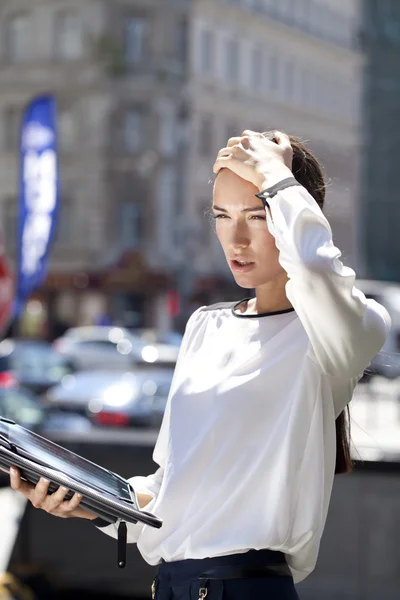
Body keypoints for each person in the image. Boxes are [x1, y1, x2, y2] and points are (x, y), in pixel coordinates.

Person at [8, 130, 391, 599]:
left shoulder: (342, 329)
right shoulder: (205, 326)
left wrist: (276, 172)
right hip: (171, 586)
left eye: (259, 214)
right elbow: (170, 491)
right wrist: (87, 502)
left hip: (245, 587)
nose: (238, 237)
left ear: (294, 214)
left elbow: (313, 269)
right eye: (222, 216)